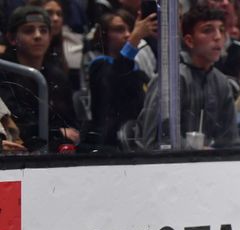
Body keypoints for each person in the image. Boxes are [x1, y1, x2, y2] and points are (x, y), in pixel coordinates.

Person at [138, 5, 240, 148]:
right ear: (189, 41)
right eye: (208, 30)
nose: (218, 37)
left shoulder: (222, 82)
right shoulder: (171, 80)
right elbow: (157, 142)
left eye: (222, 30)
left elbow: (231, 141)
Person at [0, 5, 80, 151]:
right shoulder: (3, 72)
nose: (38, 35)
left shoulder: (57, 75)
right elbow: (17, 125)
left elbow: (71, 124)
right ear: (12, 38)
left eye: (43, 30)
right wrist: (56, 132)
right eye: (29, 30)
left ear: (50, 37)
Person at [87, 9, 155, 148]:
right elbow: (114, 79)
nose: (127, 34)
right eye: (119, 30)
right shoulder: (99, 65)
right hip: (110, 144)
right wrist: (135, 39)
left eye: (130, 30)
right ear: (104, 35)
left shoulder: (136, 70)